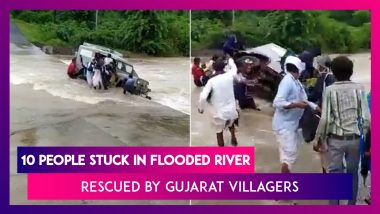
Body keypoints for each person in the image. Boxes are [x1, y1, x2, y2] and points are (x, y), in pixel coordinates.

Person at [315, 56, 370, 205]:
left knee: (335, 175)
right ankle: (351, 205)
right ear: (351, 71)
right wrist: (363, 137)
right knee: (352, 174)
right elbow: (367, 118)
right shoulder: (359, 89)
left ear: (333, 71)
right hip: (355, 139)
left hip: (336, 141)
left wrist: (318, 138)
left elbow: (325, 119)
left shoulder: (330, 90)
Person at [272, 56, 318, 174]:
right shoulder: (287, 82)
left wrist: (316, 108)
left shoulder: (295, 81)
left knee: (288, 156)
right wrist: (296, 105)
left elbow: (304, 99)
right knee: (289, 157)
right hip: (284, 126)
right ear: (298, 68)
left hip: (292, 125)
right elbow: (277, 102)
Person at [198, 58, 241, 147]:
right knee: (231, 124)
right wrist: (231, 60)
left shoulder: (211, 81)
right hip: (232, 110)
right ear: (224, 67)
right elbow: (234, 69)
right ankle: (233, 138)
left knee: (219, 132)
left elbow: (203, 96)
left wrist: (201, 108)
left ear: (213, 68)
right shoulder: (230, 76)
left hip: (219, 113)